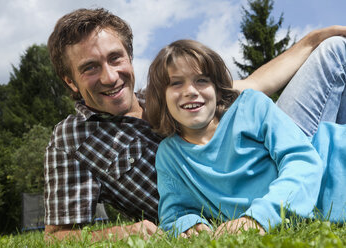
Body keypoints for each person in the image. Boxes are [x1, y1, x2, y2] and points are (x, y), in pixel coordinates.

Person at [44, 7, 346, 241]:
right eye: (90, 68)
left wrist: (312, 40)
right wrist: (126, 231)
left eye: (115, 58)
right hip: (231, 201)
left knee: (333, 50)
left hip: (261, 162)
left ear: (130, 58)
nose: (110, 77)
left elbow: (253, 85)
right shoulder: (71, 141)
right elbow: (56, 236)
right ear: (70, 80)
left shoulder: (169, 95)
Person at [146, 39, 346, 237]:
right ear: (161, 96)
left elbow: (303, 161)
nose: (190, 91)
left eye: (201, 80)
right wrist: (188, 223)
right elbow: (175, 212)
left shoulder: (251, 106)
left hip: (335, 163)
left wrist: (258, 218)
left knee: (337, 46)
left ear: (216, 89)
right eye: (176, 83)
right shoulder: (170, 155)